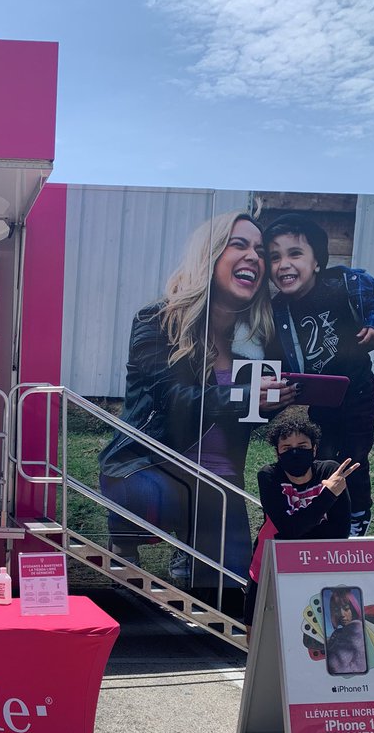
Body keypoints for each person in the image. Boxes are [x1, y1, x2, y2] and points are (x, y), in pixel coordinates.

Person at [99, 211, 294, 598]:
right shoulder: (157, 321)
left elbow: (235, 421)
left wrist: (271, 404)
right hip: (149, 467)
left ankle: (192, 553)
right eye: (239, 245)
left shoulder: (251, 345)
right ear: (210, 255)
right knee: (182, 499)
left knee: (230, 595)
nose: (253, 256)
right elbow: (173, 401)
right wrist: (243, 397)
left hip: (221, 484)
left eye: (260, 251)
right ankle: (127, 538)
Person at [263, 213, 374, 537]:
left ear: (317, 261)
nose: (284, 264)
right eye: (275, 257)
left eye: (295, 253)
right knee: (322, 457)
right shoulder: (278, 310)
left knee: (354, 455)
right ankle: (325, 508)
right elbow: (274, 355)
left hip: (359, 391)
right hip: (322, 398)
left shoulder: (343, 284)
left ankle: (358, 514)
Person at [243, 413, 357, 632]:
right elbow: (288, 529)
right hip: (268, 565)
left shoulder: (330, 471)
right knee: (256, 633)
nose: (294, 452)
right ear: (277, 452)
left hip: (317, 567)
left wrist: (297, 527)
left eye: (302, 446)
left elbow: (339, 532)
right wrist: (328, 496)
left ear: (314, 449)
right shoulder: (268, 475)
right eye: (286, 448)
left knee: (311, 632)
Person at [325, 587, 367, 674]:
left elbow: (335, 663)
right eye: (336, 610)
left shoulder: (355, 631)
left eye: (346, 608)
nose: (342, 614)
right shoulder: (343, 632)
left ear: (353, 609)